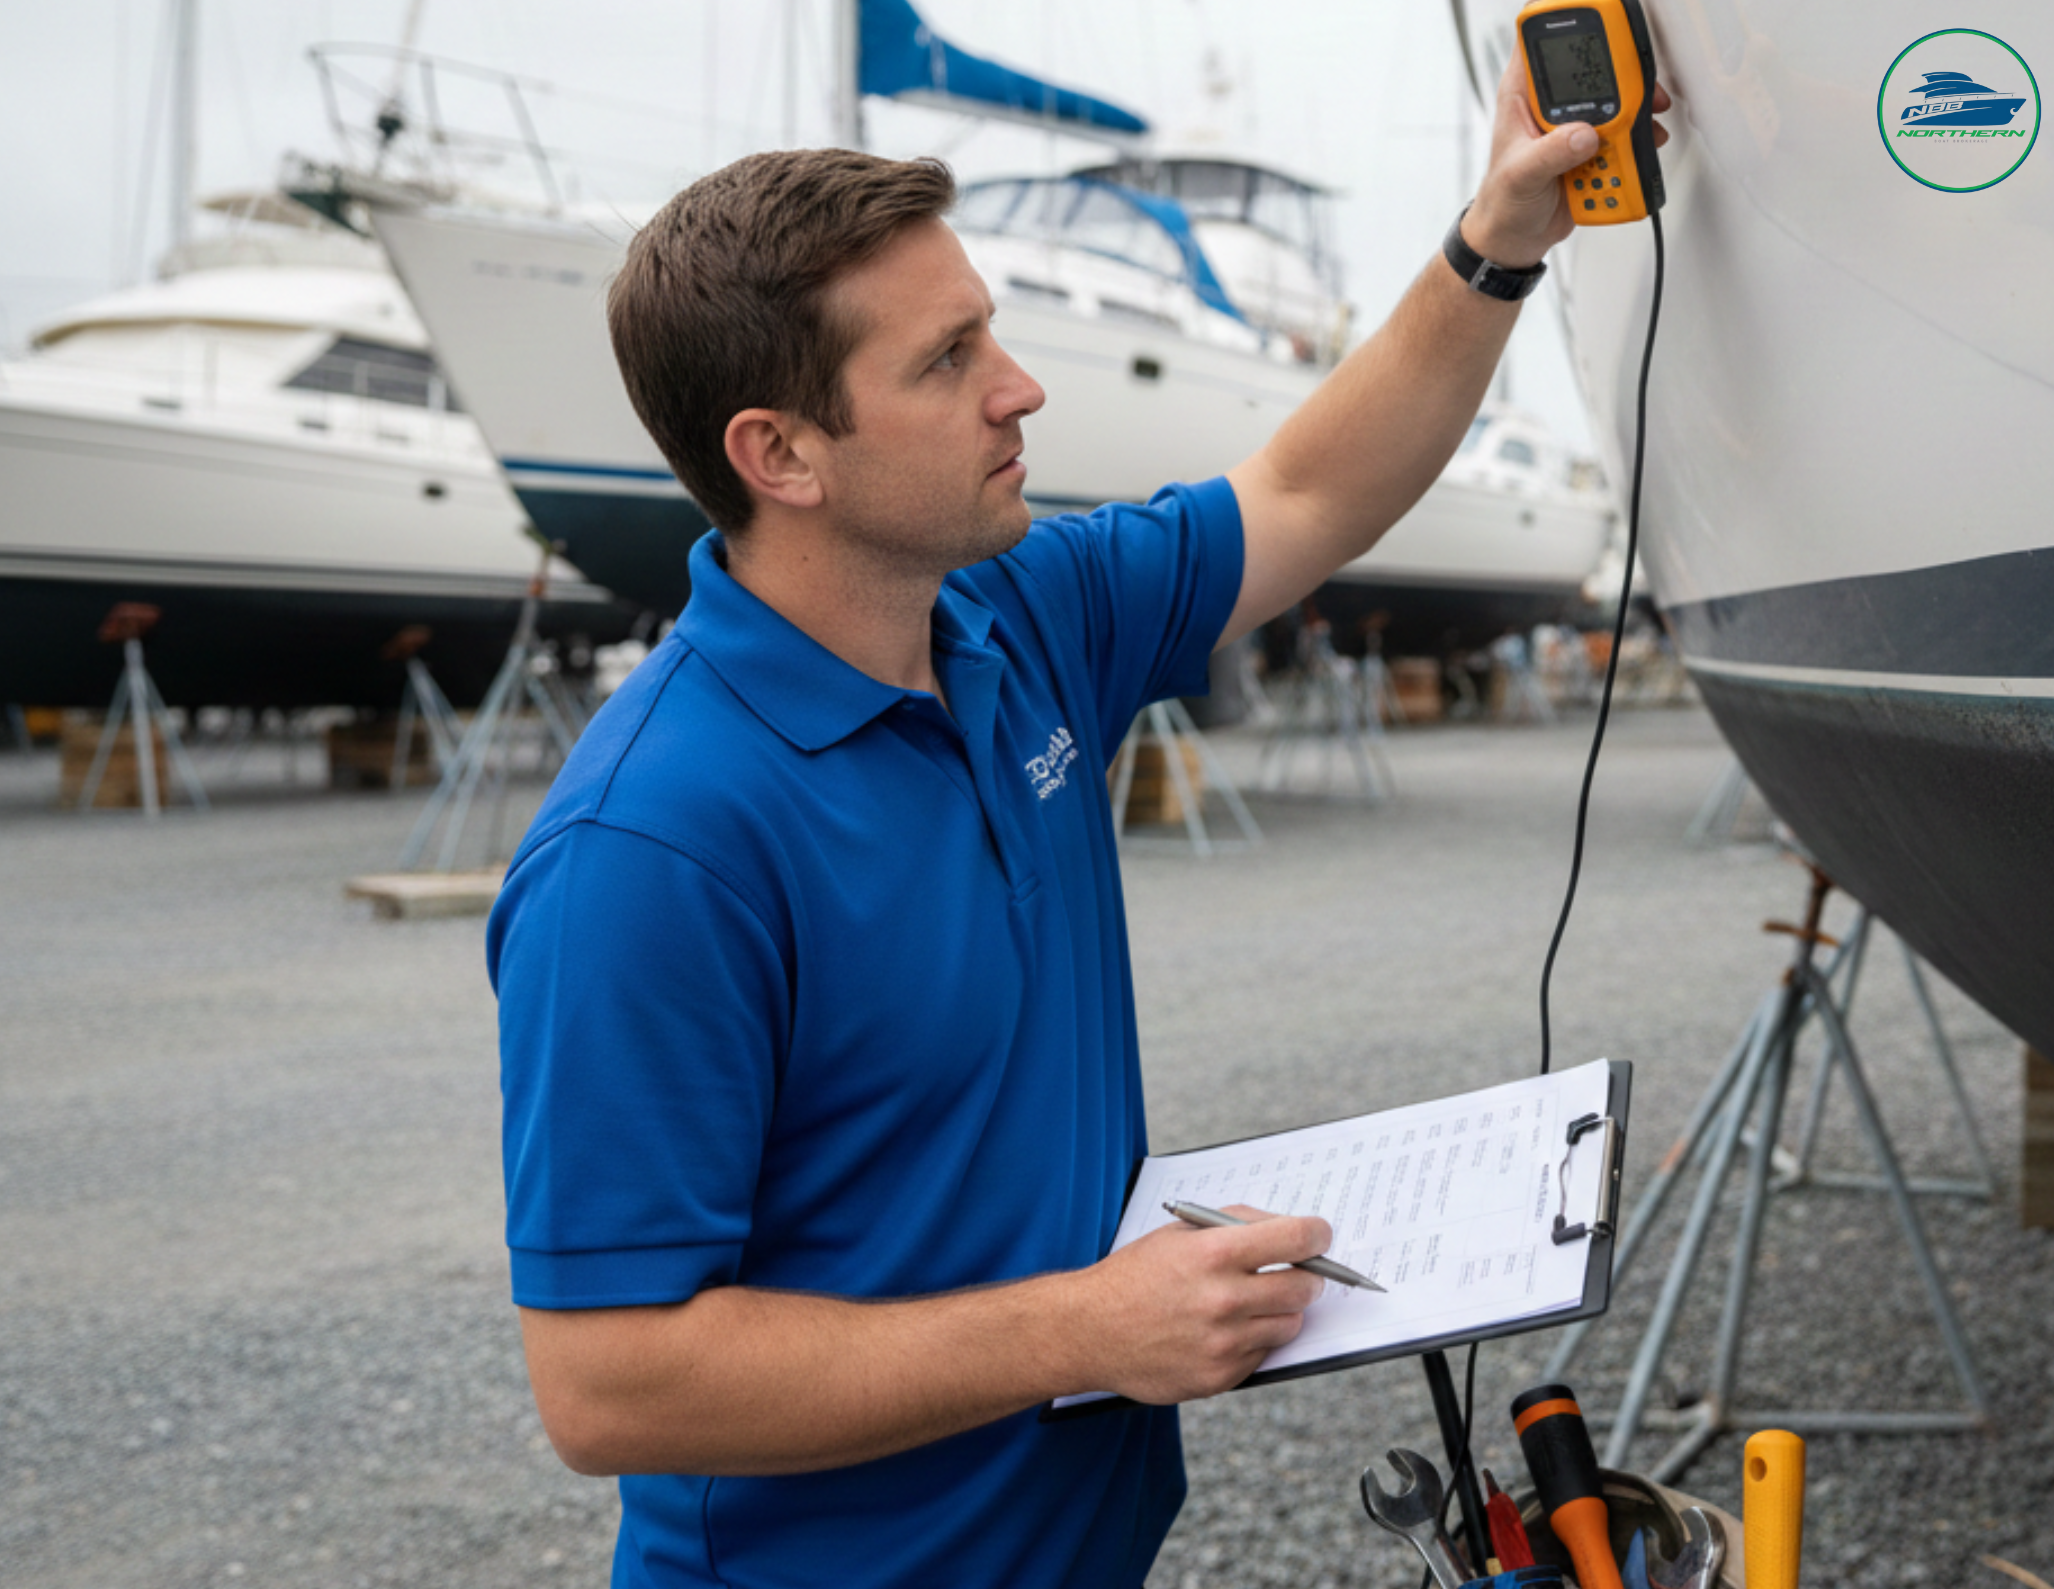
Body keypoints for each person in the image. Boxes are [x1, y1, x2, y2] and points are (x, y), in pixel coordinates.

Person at [488, 57, 1668, 1589]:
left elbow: (1305, 490)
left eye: (988, 328)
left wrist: (1496, 240)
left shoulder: (1013, 616)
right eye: (947, 359)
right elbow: (607, 1387)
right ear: (778, 455)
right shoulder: (650, 849)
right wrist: (1081, 1329)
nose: (1018, 386)